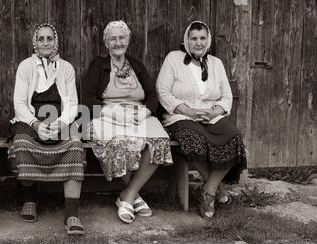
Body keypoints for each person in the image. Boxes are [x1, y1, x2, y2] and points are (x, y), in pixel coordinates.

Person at [83, 21, 173, 224]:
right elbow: (88, 99)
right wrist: (112, 113)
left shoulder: (137, 65)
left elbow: (152, 96)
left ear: (128, 40)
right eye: (112, 38)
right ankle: (135, 197)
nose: (117, 42)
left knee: (159, 140)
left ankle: (128, 194)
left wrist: (145, 112)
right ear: (106, 43)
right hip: (107, 115)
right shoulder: (98, 65)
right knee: (118, 143)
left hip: (137, 115)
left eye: (121, 38)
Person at [156, 21, 247, 219]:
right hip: (180, 115)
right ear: (186, 40)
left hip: (209, 116)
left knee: (234, 137)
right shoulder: (174, 59)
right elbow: (162, 90)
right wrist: (188, 110)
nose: (198, 42)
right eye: (194, 38)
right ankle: (215, 190)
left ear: (208, 40)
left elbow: (226, 96)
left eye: (202, 38)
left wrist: (215, 112)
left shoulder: (216, 63)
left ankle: (209, 190)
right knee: (193, 137)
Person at [8, 23, 85, 235]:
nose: (45, 43)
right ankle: (30, 199)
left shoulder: (66, 68)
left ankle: (72, 213)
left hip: (60, 120)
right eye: (41, 39)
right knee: (22, 144)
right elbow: (20, 103)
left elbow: (71, 103)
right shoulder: (26, 66)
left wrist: (60, 124)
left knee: (75, 146)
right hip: (30, 119)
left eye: (49, 38)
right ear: (35, 42)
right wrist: (36, 124)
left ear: (55, 41)